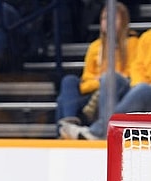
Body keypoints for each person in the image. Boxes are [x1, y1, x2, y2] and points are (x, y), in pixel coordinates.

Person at [56, 2, 138, 139]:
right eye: (105, 18)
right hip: (94, 92)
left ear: (123, 21)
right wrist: (99, 82)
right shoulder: (95, 47)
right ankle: (69, 122)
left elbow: (131, 75)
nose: (108, 23)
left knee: (109, 79)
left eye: (114, 18)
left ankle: (69, 132)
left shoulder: (133, 43)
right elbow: (85, 82)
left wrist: (103, 79)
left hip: (119, 91)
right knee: (69, 81)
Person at [61, 28, 151, 140]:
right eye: (104, 18)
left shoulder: (132, 42)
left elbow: (129, 71)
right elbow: (137, 68)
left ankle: (100, 130)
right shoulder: (147, 37)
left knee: (143, 89)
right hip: (134, 88)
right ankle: (102, 129)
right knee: (110, 77)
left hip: (145, 91)